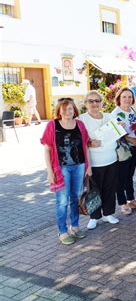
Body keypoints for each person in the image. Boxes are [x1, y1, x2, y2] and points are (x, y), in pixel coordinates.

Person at [40, 98, 91, 244]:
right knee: (62, 201)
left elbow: (85, 146)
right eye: (64, 109)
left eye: (70, 109)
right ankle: (62, 232)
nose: (67, 112)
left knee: (75, 198)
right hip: (61, 168)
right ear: (59, 111)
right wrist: (50, 172)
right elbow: (47, 149)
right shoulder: (53, 125)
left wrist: (89, 166)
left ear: (74, 110)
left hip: (79, 166)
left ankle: (74, 227)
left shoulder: (80, 124)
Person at [79, 91, 120, 229]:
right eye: (91, 101)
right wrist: (89, 143)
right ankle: (94, 217)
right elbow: (79, 141)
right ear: (85, 104)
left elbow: (117, 134)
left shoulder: (109, 116)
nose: (94, 104)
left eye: (97, 101)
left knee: (110, 188)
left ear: (101, 102)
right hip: (94, 162)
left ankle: (108, 213)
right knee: (94, 190)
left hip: (111, 159)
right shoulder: (81, 119)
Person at [111, 87, 136, 215]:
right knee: (121, 177)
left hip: (135, 147)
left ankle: (131, 199)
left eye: (130, 97)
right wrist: (131, 140)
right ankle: (122, 203)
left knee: (129, 175)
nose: (127, 99)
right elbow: (115, 132)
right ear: (119, 99)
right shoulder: (115, 113)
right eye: (124, 97)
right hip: (124, 148)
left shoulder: (131, 110)